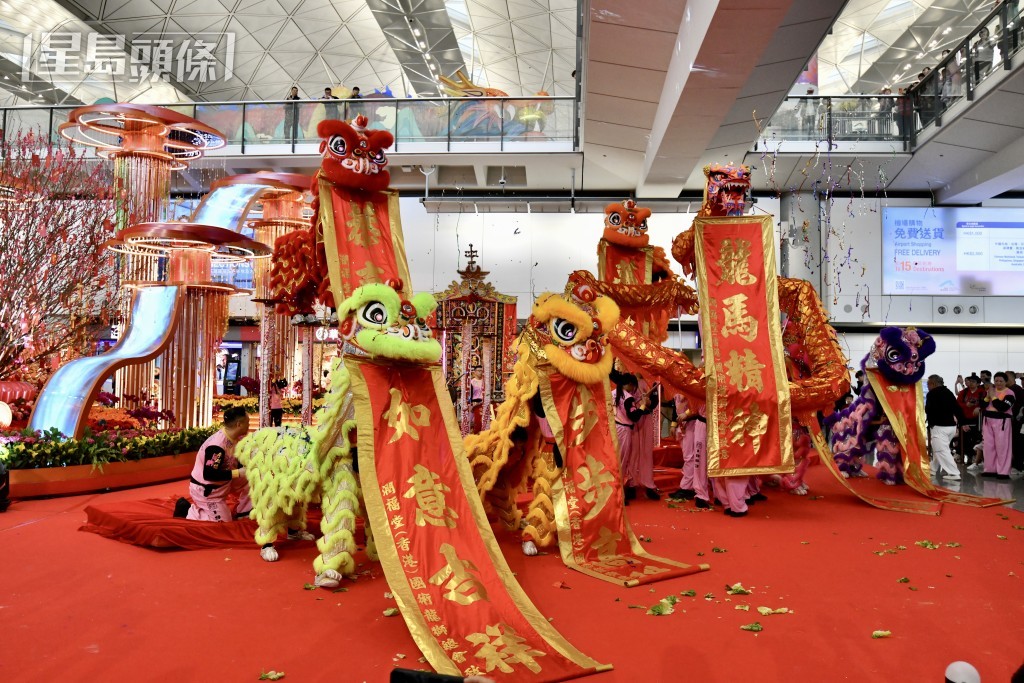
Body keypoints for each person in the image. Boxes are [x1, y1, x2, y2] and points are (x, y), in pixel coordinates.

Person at [175, 407, 252, 521]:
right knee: (223, 523)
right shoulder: (217, 446)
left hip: (224, 482)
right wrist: (238, 473)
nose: (249, 425)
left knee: (254, 477)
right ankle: (187, 511)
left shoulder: (236, 437)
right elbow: (210, 475)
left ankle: (243, 512)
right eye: (248, 422)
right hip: (207, 490)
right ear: (239, 424)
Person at [612, 373, 657, 503]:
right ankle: (619, 494)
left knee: (616, 461)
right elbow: (634, 417)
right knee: (622, 462)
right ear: (631, 385)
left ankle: (616, 492)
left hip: (615, 428)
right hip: (624, 431)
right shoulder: (628, 398)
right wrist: (642, 405)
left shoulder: (613, 392)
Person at [925, 374, 964, 480]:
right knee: (941, 448)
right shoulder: (948, 392)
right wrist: (961, 422)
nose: (927, 386)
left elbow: (928, 410)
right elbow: (957, 408)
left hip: (939, 427)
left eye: (928, 384)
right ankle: (933, 469)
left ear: (933, 383)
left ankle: (954, 473)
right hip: (951, 427)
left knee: (941, 450)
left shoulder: (932, 394)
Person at [981, 371, 1015, 479]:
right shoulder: (990, 390)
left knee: (1002, 446)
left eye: (1001, 381)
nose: (998, 383)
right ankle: (990, 469)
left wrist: (993, 397)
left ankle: (1003, 472)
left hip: (1002, 421)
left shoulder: (1010, 393)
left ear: (1006, 382)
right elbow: (982, 405)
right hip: (988, 420)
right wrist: (987, 397)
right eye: (996, 381)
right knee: (988, 446)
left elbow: (1003, 407)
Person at [957, 374, 985, 466]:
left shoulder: (982, 392)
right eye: (970, 381)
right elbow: (957, 404)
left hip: (978, 420)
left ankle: (976, 457)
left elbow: (986, 403)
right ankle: (967, 455)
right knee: (965, 438)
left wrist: (979, 408)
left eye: (973, 382)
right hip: (965, 419)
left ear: (978, 383)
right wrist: (966, 405)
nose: (971, 383)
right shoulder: (963, 392)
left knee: (977, 438)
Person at [468, 367, 485, 434]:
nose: (480, 372)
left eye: (481, 370)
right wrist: (471, 404)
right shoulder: (472, 382)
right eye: (479, 371)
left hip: (482, 402)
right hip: (475, 402)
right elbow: (470, 394)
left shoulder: (484, 381)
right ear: (474, 372)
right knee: (471, 421)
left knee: (481, 421)